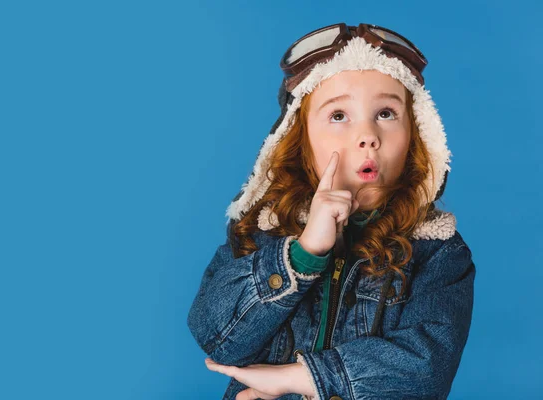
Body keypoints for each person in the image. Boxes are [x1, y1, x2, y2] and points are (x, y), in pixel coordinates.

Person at [187, 22, 476, 400]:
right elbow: (216, 335)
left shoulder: (439, 253)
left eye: (386, 113)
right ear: (298, 138)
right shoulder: (262, 231)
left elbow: (426, 369)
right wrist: (303, 254)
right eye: (338, 115)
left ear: (417, 134)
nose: (368, 135)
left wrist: (299, 378)